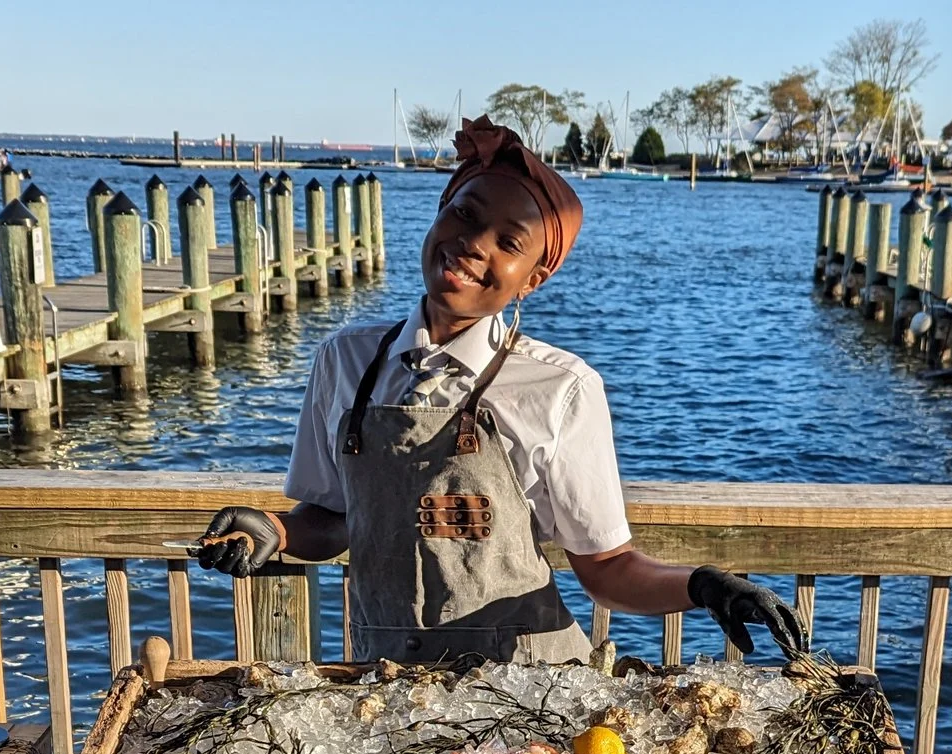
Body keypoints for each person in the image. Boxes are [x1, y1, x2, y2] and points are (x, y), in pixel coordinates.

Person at [195, 117, 803, 665]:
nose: (474, 242)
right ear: (438, 214)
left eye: (509, 242)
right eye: (464, 214)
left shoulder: (561, 388)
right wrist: (273, 530)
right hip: (380, 683)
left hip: (526, 691)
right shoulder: (343, 359)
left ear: (533, 276)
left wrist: (704, 586)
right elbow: (336, 522)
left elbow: (609, 571)